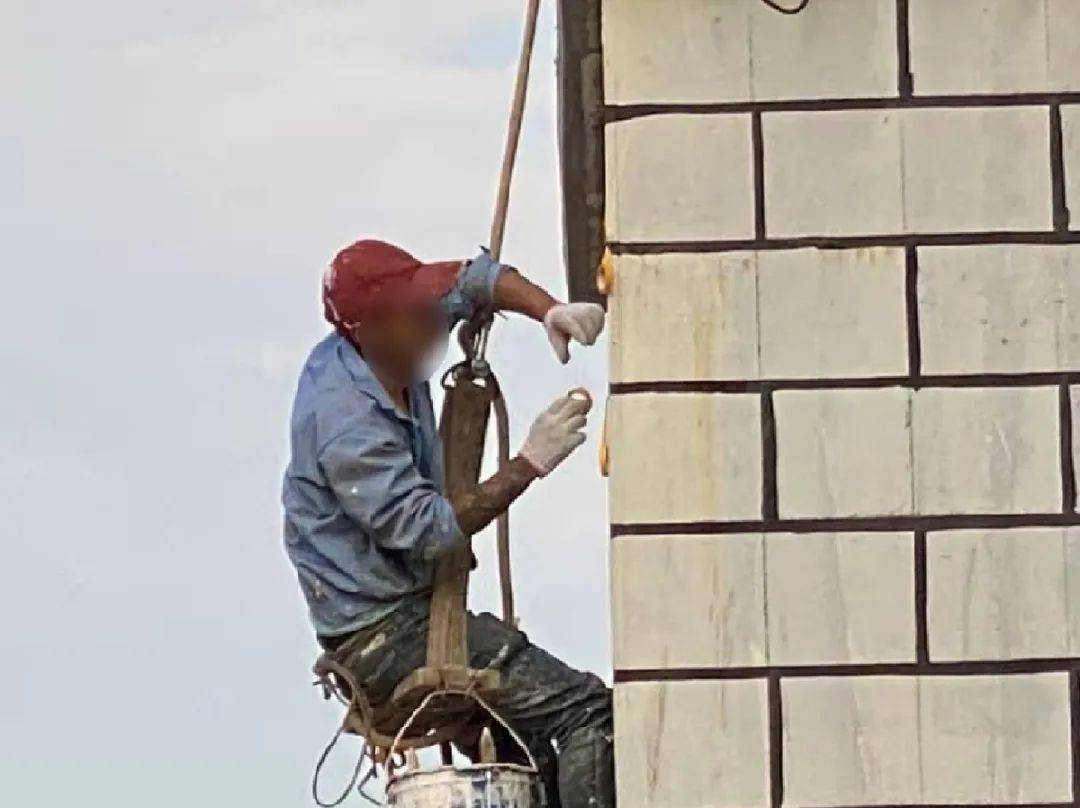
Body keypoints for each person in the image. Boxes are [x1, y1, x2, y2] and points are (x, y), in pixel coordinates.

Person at [282, 239, 615, 808]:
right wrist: (528, 463)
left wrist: (547, 309)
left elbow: (472, 280)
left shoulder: (394, 330)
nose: (432, 324)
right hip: (380, 634)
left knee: (530, 743)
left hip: (404, 606)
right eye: (415, 318)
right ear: (372, 330)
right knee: (589, 713)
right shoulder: (345, 426)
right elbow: (428, 529)